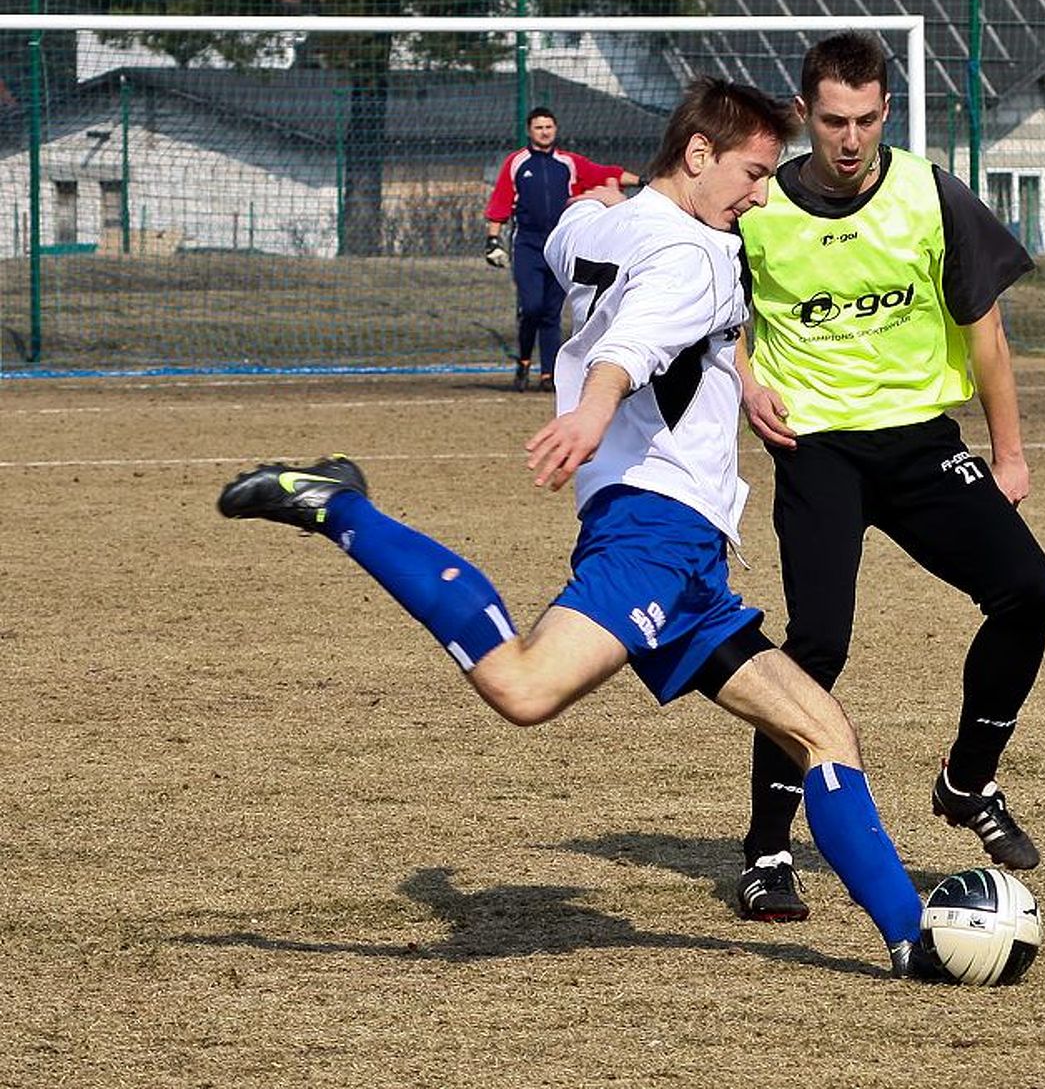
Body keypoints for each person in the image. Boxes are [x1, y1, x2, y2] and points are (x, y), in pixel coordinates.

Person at [221, 77, 940, 980]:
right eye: (754, 174)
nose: (762, 195)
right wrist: (595, 410)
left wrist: (724, 359)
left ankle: (914, 941)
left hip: (687, 561)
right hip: (657, 528)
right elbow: (631, 345)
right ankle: (344, 508)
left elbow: (577, 237)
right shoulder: (702, 256)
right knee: (523, 688)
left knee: (824, 731)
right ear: (700, 154)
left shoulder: (602, 224)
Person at [730, 32, 1045, 923]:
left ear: (886, 113)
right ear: (805, 116)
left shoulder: (930, 193)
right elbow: (710, 314)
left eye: (867, 120)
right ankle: (765, 848)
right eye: (833, 120)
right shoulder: (754, 208)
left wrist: (1011, 451)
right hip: (818, 450)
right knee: (819, 643)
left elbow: (986, 330)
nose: (850, 139)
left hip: (919, 443)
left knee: (1028, 588)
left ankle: (967, 780)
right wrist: (747, 381)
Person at [485, 106, 641, 393]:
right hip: (528, 246)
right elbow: (501, 201)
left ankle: (548, 373)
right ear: (529, 131)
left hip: (560, 247)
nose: (544, 132)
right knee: (531, 307)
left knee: (551, 312)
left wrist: (646, 183)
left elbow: (605, 173)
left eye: (549, 127)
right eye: (538, 127)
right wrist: (492, 240)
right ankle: (523, 361)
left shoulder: (569, 163)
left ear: (555, 129)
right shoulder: (517, 162)